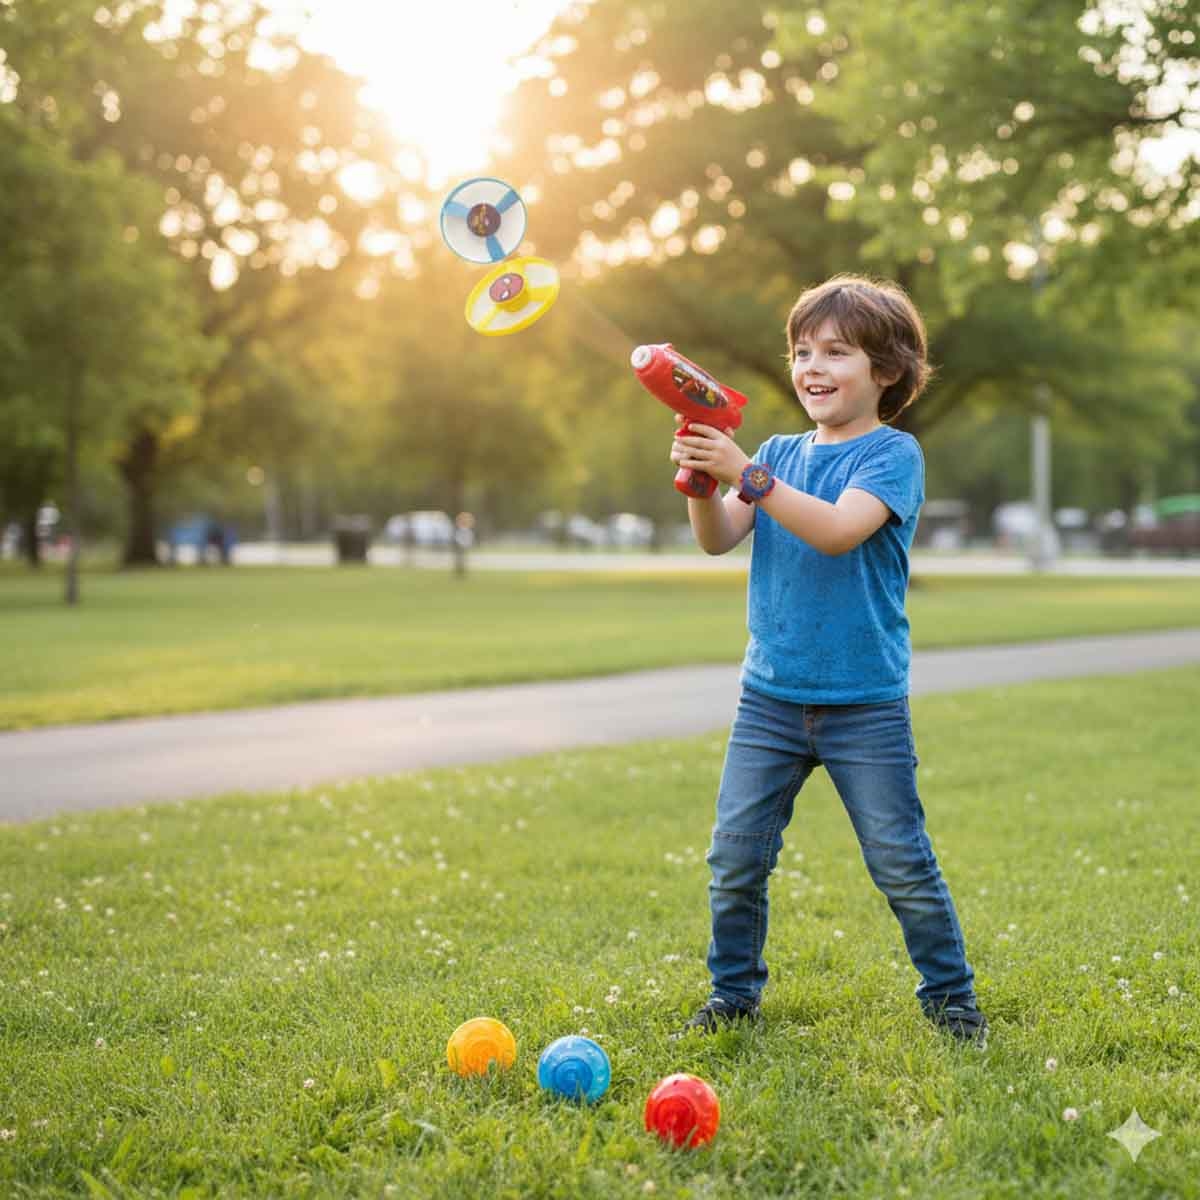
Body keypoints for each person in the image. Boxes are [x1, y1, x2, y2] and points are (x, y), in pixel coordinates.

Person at [669, 274, 987, 1047]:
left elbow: (838, 530)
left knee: (900, 862)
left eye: (836, 352)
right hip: (770, 701)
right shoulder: (777, 452)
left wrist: (745, 472)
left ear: (886, 371)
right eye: (802, 350)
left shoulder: (892, 455)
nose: (812, 366)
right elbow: (718, 539)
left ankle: (952, 1003)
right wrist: (702, 481)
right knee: (735, 859)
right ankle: (732, 996)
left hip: (863, 704)